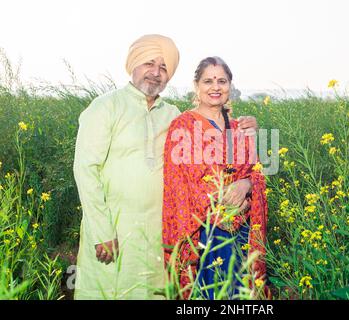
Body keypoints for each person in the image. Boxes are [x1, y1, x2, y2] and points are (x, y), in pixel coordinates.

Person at [73, 35, 258, 300]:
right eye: (149, 63)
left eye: (163, 68)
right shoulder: (105, 107)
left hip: (160, 231)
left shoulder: (172, 114)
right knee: (108, 290)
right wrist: (102, 231)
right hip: (114, 226)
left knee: (154, 291)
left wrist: (247, 127)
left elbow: (210, 128)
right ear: (133, 64)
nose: (156, 73)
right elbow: (85, 170)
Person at [162, 56, 268, 300]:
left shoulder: (240, 126)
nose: (215, 87)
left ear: (230, 85)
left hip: (243, 227)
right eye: (208, 81)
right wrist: (224, 205)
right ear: (197, 86)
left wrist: (246, 184)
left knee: (241, 293)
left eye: (222, 80)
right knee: (212, 292)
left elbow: (257, 170)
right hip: (205, 230)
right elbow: (180, 183)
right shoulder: (183, 126)